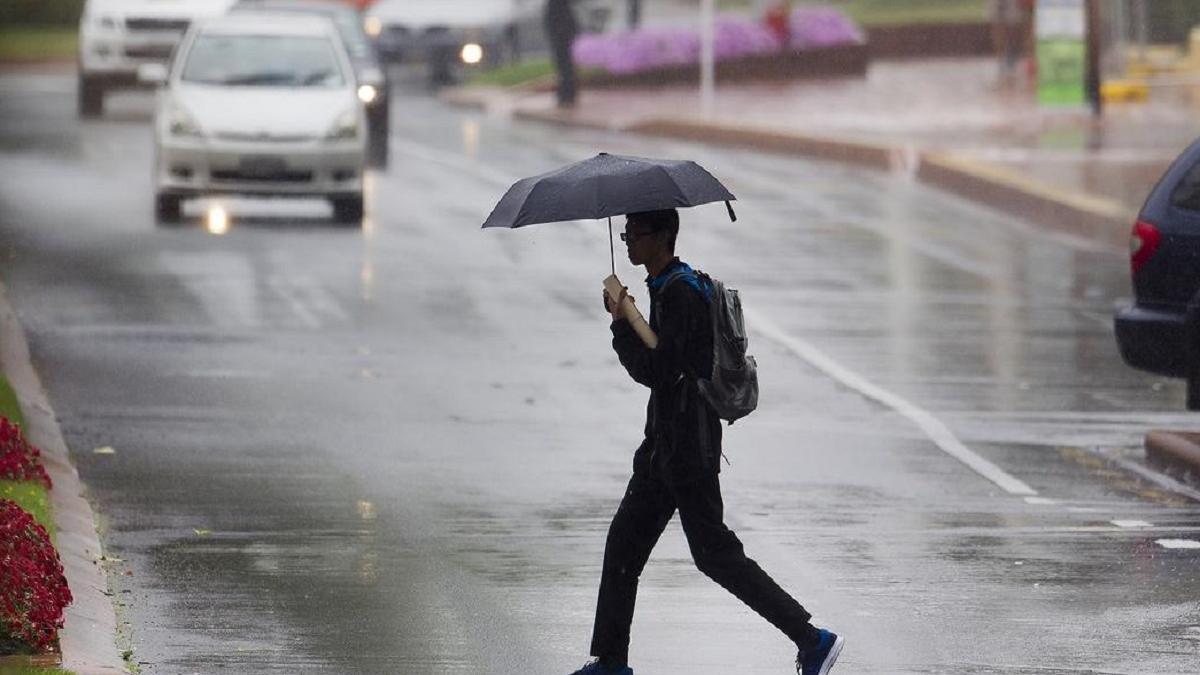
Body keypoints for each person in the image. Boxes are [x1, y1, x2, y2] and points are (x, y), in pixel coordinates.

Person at [569, 209, 843, 675]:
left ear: (662, 237)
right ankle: (611, 663)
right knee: (624, 547)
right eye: (626, 233)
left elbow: (661, 371)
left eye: (635, 233)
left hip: (686, 451)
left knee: (715, 555)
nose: (628, 240)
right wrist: (629, 317)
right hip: (664, 448)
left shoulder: (681, 294)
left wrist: (620, 325)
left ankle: (811, 638)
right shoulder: (666, 287)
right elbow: (663, 365)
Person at [544, 0, 579, 108]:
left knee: (564, 64)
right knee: (565, 64)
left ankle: (566, 95)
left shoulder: (555, 5)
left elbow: (552, 18)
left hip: (560, 31)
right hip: (563, 30)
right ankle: (567, 94)